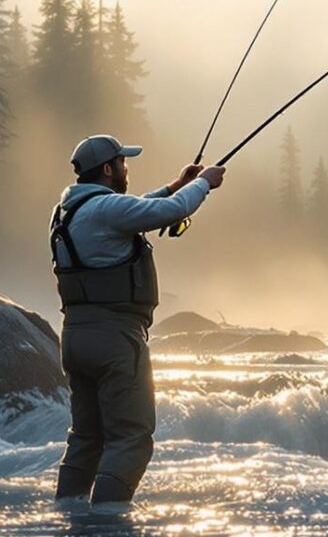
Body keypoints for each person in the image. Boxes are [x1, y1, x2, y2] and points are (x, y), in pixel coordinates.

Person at [49, 133, 224, 508]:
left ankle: (66, 517)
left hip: (76, 338)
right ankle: (107, 528)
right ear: (109, 169)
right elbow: (169, 212)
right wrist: (203, 184)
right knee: (131, 438)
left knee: (86, 438)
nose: (127, 169)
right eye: (124, 163)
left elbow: (134, 209)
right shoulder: (107, 210)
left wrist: (177, 184)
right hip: (114, 339)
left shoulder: (68, 210)